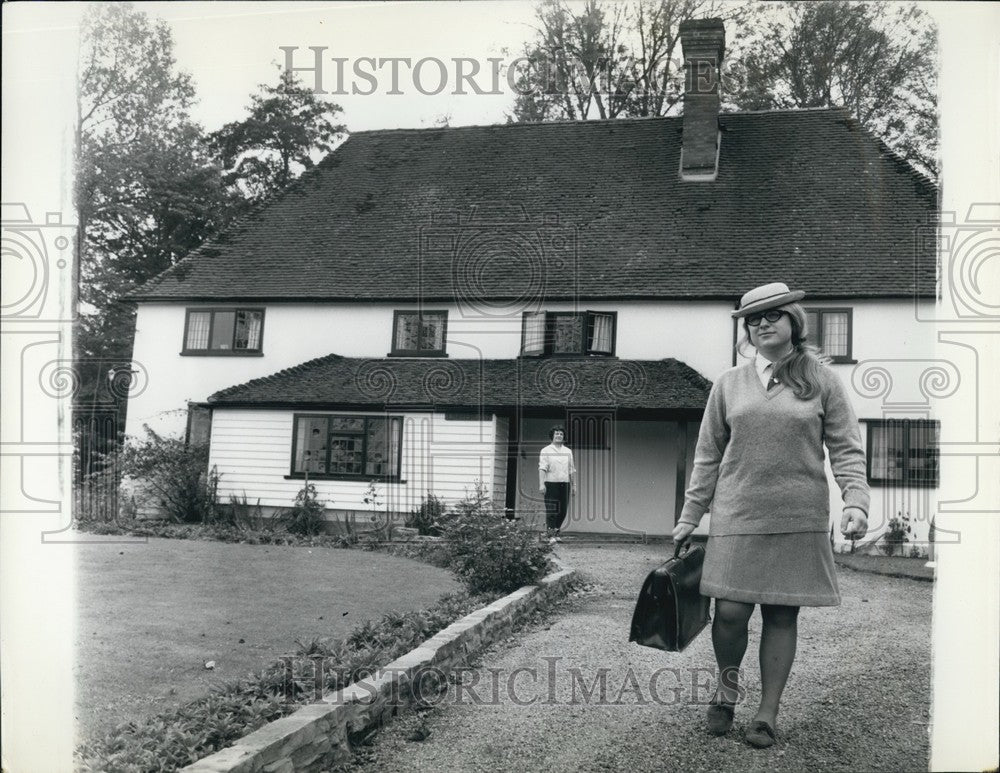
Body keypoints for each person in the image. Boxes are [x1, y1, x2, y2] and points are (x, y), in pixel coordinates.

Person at [671, 282, 869, 748]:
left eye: (772, 315)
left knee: (782, 616)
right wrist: (689, 514)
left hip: (799, 515)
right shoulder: (728, 384)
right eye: (752, 318)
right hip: (737, 514)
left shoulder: (823, 380)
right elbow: (707, 456)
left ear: (793, 322)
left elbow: (846, 448)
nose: (762, 323)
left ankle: (767, 712)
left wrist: (856, 501)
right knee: (731, 612)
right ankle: (726, 689)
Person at [539, 426, 576, 543]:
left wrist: (574, 485)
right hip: (550, 483)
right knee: (552, 510)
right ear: (552, 436)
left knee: (563, 510)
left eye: (561, 434)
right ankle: (550, 536)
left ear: (563, 436)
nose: (559, 436)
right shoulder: (545, 450)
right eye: (556, 434)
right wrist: (541, 484)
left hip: (564, 484)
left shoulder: (568, 451)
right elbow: (542, 468)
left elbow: (571, 469)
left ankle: (556, 532)